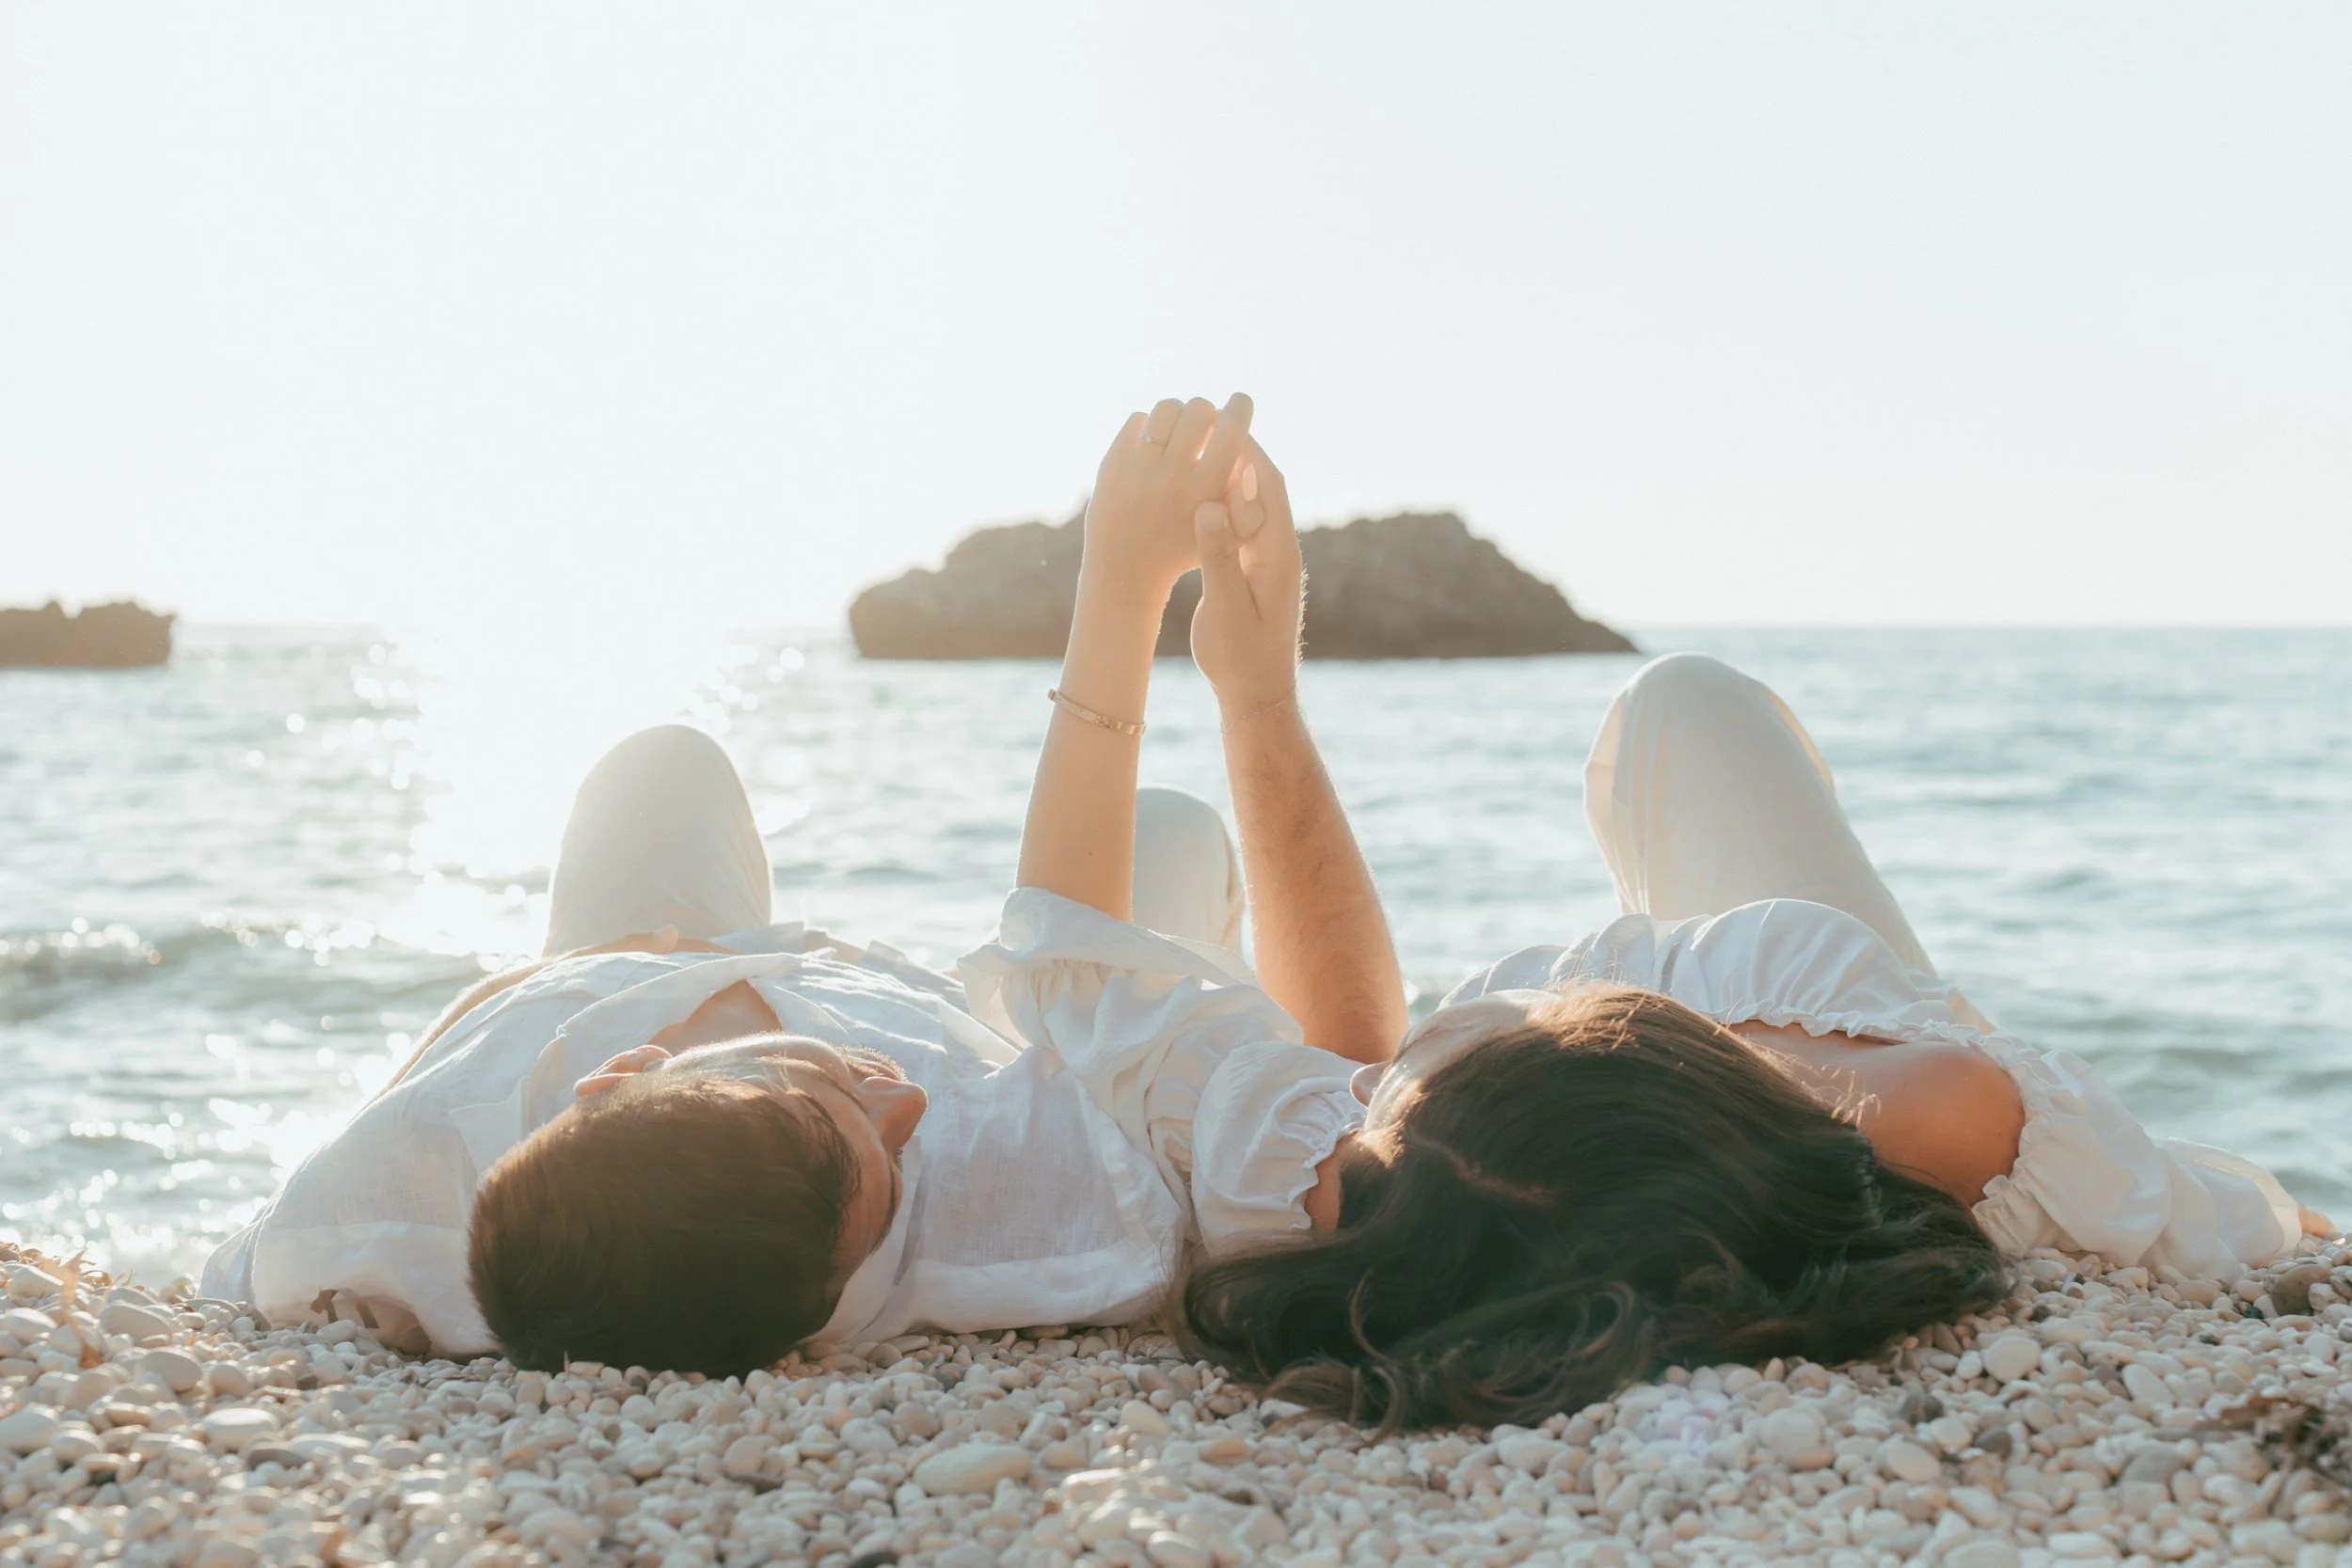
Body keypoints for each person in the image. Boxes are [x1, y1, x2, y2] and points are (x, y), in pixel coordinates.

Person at [199, 394, 1411, 1374]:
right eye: (885, 1189)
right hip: (1009, 1044)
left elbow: (251, 1258)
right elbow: (1097, 969)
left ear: (615, 1076)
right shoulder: (1034, 1207)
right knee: (1175, 835)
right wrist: (1138, 605)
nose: (900, 1110)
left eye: (832, 1096)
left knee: (659, 767)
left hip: (618, 972)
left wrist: (567, 979)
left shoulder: (384, 1205)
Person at [1179, 650, 2331, 1431]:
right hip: (1873, 1072)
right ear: (1661, 1062)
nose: (1368, 1080)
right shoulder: (1926, 1105)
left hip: (1661, 1132)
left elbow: (1343, 1049)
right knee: (1685, 705)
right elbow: (1362, 1048)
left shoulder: (1428, 1211)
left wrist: (1254, 696)